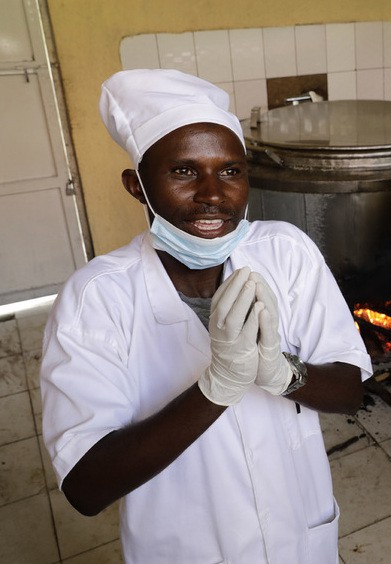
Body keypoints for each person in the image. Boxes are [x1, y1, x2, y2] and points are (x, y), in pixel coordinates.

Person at [40, 68, 373, 563]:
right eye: (183, 171)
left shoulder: (285, 251)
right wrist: (217, 387)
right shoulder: (97, 298)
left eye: (231, 171)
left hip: (299, 539)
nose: (213, 194)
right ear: (137, 186)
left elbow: (350, 391)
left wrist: (282, 373)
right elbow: (86, 488)